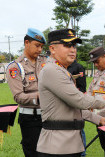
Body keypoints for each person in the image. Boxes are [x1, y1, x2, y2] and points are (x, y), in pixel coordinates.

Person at [36, 29, 105, 157]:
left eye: (74, 45)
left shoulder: (62, 71)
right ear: (52, 48)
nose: (73, 49)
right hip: (57, 147)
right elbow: (80, 100)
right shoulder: (52, 70)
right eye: (67, 45)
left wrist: (99, 119)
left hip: (68, 144)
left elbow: (74, 106)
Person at [6, 28, 46, 157]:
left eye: (42, 47)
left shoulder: (46, 62)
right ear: (26, 43)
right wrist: (41, 97)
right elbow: (18, 97)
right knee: (34, 153)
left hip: (49, 115)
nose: (40, 49)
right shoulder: (15, 67)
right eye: (37, 45)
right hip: (31, 119)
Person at [67, 60, 87, 157]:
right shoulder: (61, 67)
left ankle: (82, 152)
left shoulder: (78, 67)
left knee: (79, 128)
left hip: (77, 100)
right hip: (65, 102)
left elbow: (82, 86)